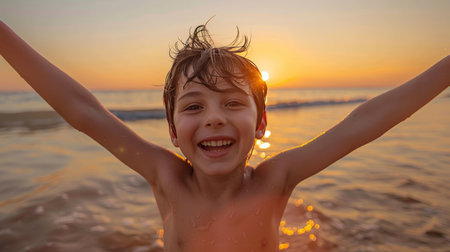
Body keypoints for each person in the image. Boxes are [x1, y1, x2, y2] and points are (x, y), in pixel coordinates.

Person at [0, 20, 448, 252]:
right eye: (194, 106)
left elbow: (363, 124)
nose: (213, 118)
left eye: (233, 103)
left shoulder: (276, 179)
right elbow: (85, 113)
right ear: (174, 131)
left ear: (260, 123)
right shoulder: (165, 177)